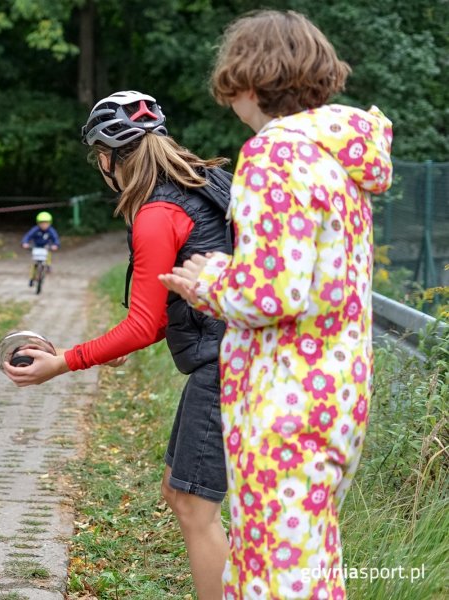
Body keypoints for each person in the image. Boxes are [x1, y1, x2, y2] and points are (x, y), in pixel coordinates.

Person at [159, 10, 393, 599]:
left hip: (283, 400)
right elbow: (310, 282)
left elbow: (272, 291)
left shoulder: (274, 154)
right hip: (334, 392)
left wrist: (208, 279)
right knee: (299, 568)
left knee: (280, 580)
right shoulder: (335, 157)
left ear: (248, 79)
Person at [4, 90, 233, 600]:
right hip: (242, 356)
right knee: (179, 492)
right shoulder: (207, 181)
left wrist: (61, 363)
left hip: (228, 366)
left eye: (97, 158)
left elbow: (143, 324)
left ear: (108, 157)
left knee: (195, 506)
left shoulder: (156, 212)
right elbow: (154, 320)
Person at [21, 211, 60, 285]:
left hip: (46, 246)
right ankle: (32, 276)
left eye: (46, 223)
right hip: (36, 246)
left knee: (48, 253)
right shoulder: (35, 229)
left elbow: (56, 239)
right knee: (34, 262)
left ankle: (48, 265)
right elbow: (28, 236)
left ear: (49, 223)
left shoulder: (51, 231)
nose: (44, 225)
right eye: (42, 223)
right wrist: (25, 242)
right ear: (38, 223)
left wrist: (56, 245)